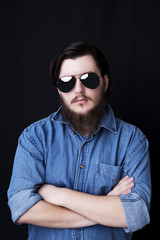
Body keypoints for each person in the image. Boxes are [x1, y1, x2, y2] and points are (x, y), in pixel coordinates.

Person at [7, 41, 151, 240]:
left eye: (89, 79)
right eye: (67, 82)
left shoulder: (132, 140)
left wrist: (59, 195)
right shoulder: (35, 137)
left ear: (105, 82)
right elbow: (22, 209)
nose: (78, 90)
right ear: (59, 89)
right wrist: (105, 206)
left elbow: (135, 213)